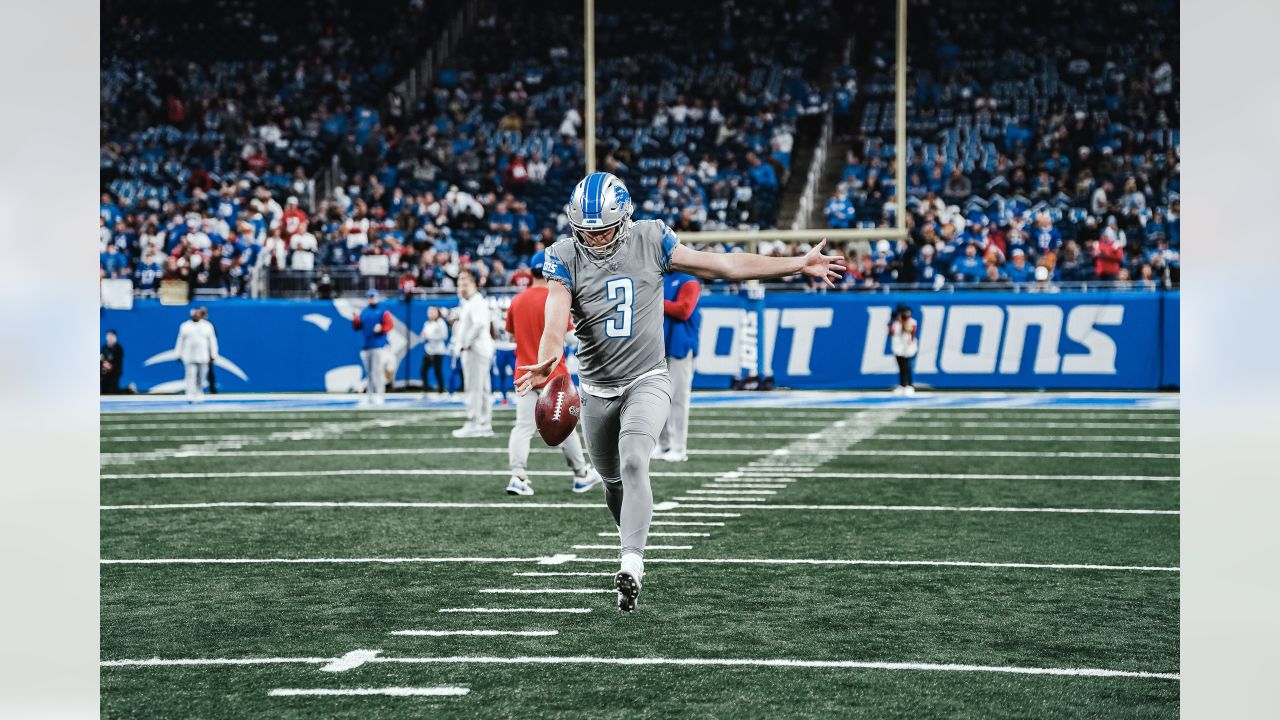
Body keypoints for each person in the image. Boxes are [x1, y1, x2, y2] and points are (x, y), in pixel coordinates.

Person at [517, 171, 845, 612]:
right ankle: (629, 542)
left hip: (647, 378)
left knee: (635, 460)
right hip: (596, 388)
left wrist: (795, 263)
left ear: (625, 218)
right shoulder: (562, 255)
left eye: (604, 231)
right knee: (612, 483)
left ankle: (631, 564)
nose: (594, 241)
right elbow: (556, 318)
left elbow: (724, 265)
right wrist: (549, 358)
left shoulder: (652, 238)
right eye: (587, 233)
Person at [504, 250, 603, 496]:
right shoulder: (555, 297)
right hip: (554, 376)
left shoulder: (517, 301)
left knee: (523, 427)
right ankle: (581, 474)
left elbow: (510, 336)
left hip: (525, 374)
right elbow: (570, 338)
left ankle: (518, 476)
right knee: (564, 426)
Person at [653, 271, 702, 462]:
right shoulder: (659, 278)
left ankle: (679, 448)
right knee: (658, 398)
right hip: (659, 345)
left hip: (681, 344)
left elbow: (684, 310)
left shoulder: (689, 281)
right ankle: (664, 445)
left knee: (678, 398)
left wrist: (655, 302)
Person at [452, 271, 496, 437]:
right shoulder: (472, 301)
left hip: (475, 350)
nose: (461, 286)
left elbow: (478, 325)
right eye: (460, 282)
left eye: (465, 282)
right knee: (483, 389)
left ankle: (474, 422)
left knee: (474, 389)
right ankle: (484, 423)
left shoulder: (475, 301)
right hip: (480, 350)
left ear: (474, 284)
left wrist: (465, 343)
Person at [353, 289, 394, 405]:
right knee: (369, 373)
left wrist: (382, 328)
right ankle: (370, 395)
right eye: (370, 297)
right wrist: (355, 319)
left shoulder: (382, 311)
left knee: (378, 371)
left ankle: (380, 394)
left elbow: (389, 325)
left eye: (373, 297)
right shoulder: (364, 312)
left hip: (378, 345)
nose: (372, 299)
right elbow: (357, 327)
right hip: (366, 345)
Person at [175, 307, 218, 403]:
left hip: (203, 355)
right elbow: (180, 340)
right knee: (190, 375)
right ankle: (190, 394)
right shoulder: (185, 326)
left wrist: (214, 354)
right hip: (189, 355)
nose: (195, 315)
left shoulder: (207, 326)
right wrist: (178, 353)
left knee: (201, 376)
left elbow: (212, 341)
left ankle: (199, 393)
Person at [889, 305, 918, 395]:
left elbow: (909, 330)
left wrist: (903, 322)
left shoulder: (912, 321)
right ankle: (902, 385)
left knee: (908, 367)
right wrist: (891, 324)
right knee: (901, 367)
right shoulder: (896, 323)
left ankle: (909, 385)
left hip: (909, 347)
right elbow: (891, 333)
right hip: (899, 348)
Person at [420, 305, 449, 395]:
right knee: (423, 370)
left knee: (438, 371)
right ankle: (425, 390)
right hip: (428, 350)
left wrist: (430, 336)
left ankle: (441, 390)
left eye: (433, 312)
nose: (431, 314)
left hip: (438, 351)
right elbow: (423, 335)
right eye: (429, 312)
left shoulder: (441, 323)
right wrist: (423, 336)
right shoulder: (427, 323)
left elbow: (444, 336)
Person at [100, 330, 124, 395]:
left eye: (111, 336)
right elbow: (101, 359)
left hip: (114, 374)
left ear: (115, 337)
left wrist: (111, 366)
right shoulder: (104, 348)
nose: (110, 337)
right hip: (105, 374)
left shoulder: (118, 348)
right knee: (104, 392)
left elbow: (118, 362)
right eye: (108, 336)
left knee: (113, 392)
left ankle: (128, 390)